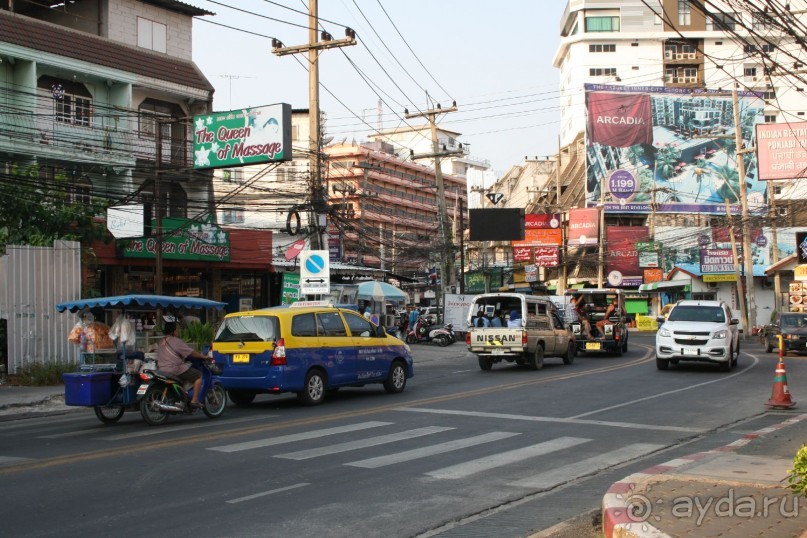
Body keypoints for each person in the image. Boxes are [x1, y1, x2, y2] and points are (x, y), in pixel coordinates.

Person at [157, 320, 213, 409]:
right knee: (198, 375)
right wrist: (203, 356)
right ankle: (194, 401)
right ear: (174, 330)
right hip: (174, 368)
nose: (178, 331)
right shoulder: (175, 341)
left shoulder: (161, 341)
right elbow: (191, 352)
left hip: (161, 369)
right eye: (177, 329)